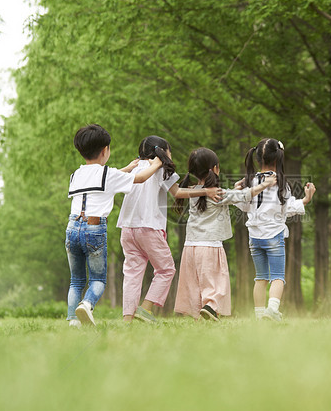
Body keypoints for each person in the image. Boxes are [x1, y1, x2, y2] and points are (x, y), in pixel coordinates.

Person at [65, 124, 163, 328]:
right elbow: (142, 178)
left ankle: (73, 322)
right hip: (94, 229)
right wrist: (157, 163)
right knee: (98, 279)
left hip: (72, 227)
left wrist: (127, 168)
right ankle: (87, 304)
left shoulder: (76, 175)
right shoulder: (108, 175)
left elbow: (105, 179)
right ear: (105, 151)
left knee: (76, 280)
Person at [116, 136, 223, 323]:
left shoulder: (134, 168)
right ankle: (146, 308)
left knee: (132, 274)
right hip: (148, 228)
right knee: (166, 269)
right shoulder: (161, 169)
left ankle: (127, 319)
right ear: (163, 152)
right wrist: (206, 191)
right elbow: (178, 193)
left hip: (127, 229)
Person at [173, 148, 277, 321]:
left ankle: (201, 312)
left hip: (190, 246)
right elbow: (244, 195)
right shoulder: (218, 194)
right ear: (215, 168)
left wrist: (233, 188)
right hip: (210, 245)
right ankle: (211, 307)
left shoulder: (192, 191)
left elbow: (224, 194)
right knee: (216, 281)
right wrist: (264, 184)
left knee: (196, 282)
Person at [235, 138, 315, 322]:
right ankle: (272, 310)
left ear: (256, 158)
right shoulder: (281, 183)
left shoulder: (250, 181)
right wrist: (305, 200)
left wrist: (237, 190)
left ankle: (259, 316)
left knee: (260, 278)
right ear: (279, 157)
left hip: (254, 237)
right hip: (274, 236)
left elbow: (244, 206)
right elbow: (287, 210)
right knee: (278, 277)